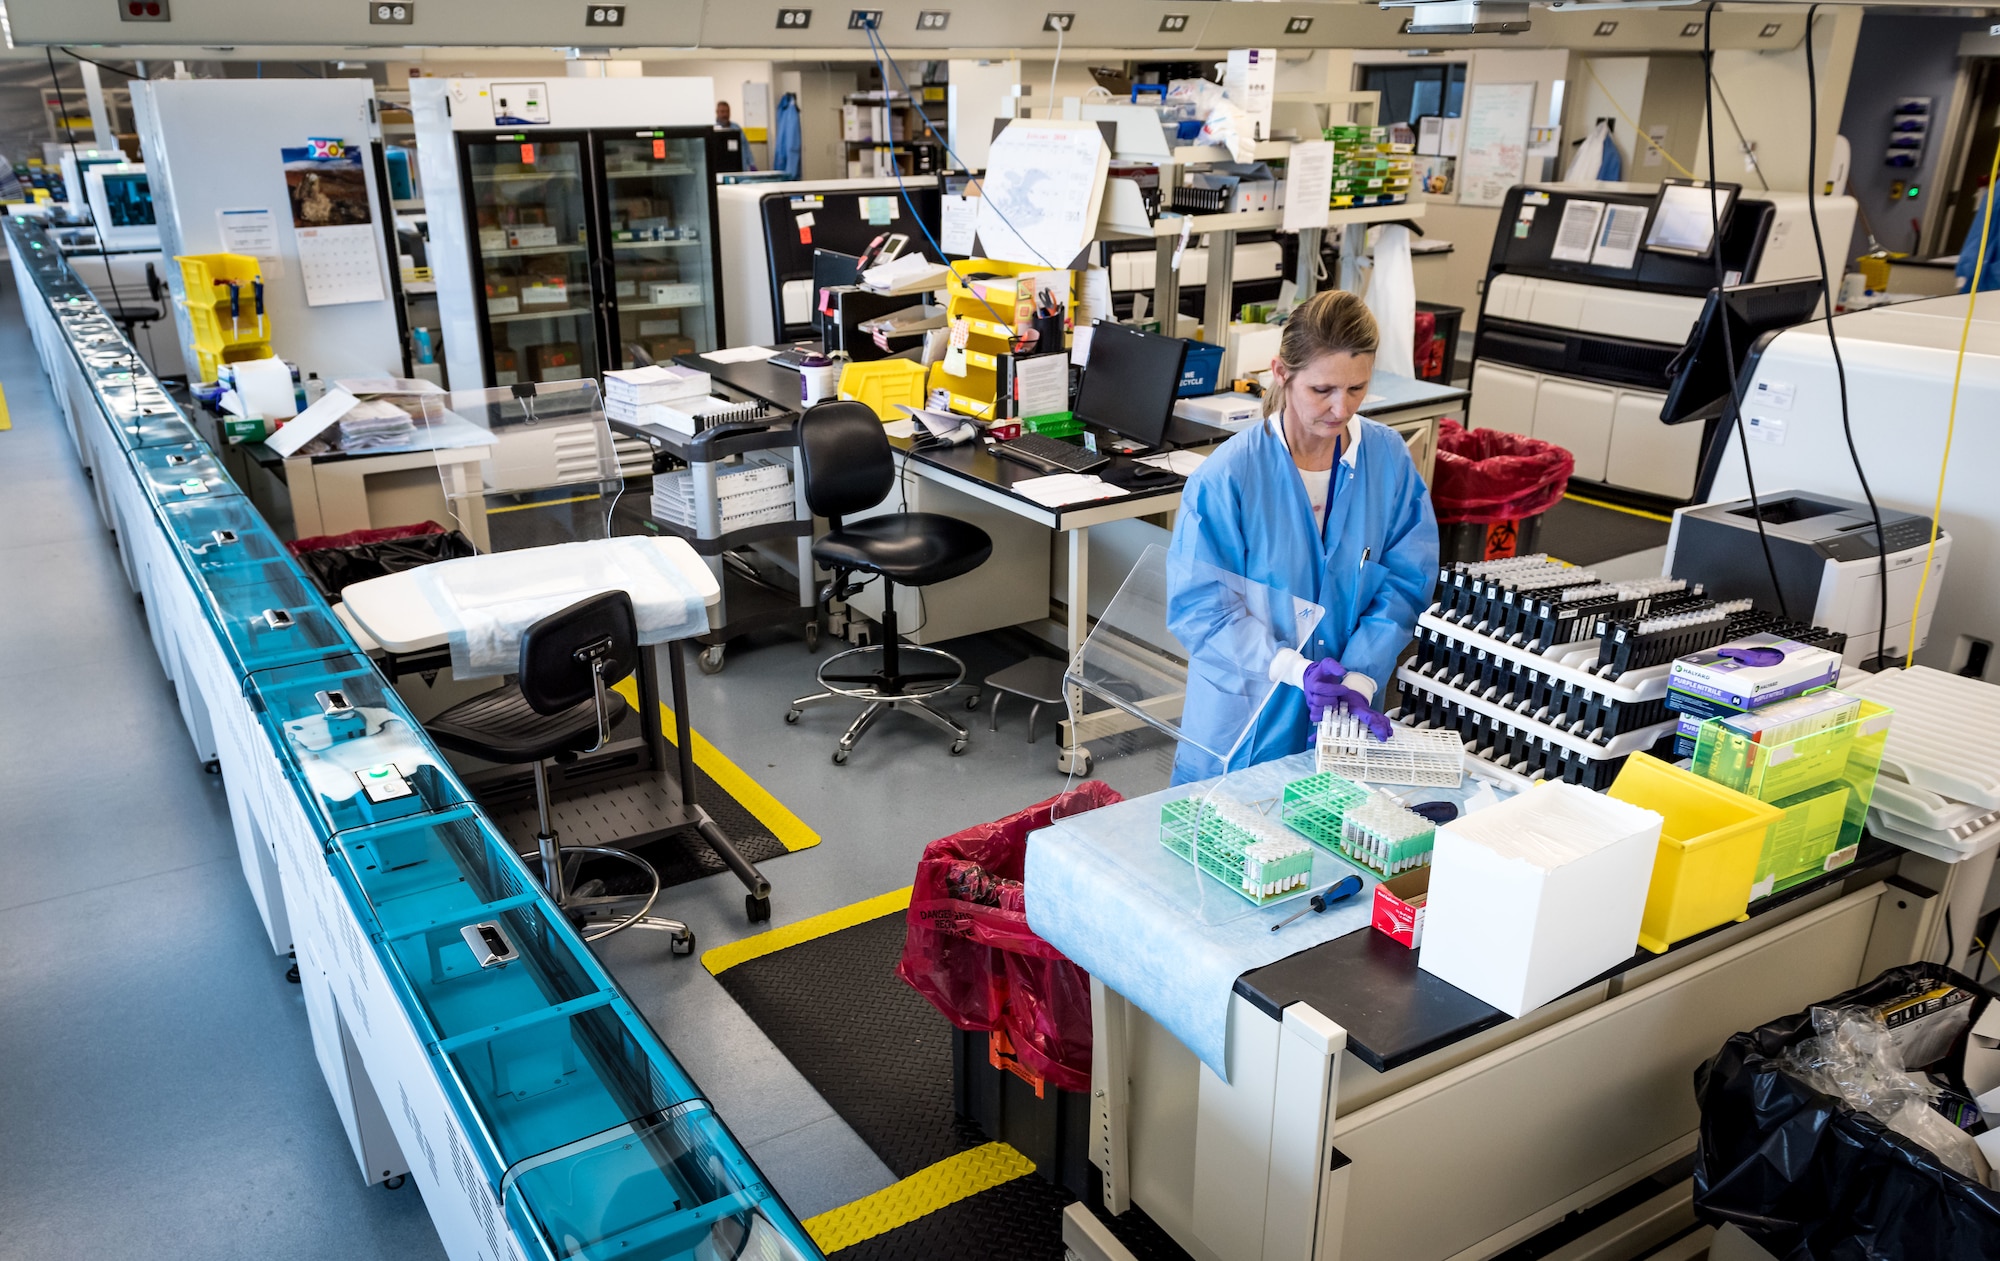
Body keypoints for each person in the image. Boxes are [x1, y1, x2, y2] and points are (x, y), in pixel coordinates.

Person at [1165, 290, 1439, 785]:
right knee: (1225, 844)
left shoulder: (1388, 459)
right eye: (1323, 390)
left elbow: (1404, 580)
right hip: (1245, 712)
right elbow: (1202, 609)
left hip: (1343, 714)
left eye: (1357, 389)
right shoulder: (1229, 477)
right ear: (1281, 373)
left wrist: (1358, 674)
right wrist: (1293, 669)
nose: (1341, 409)